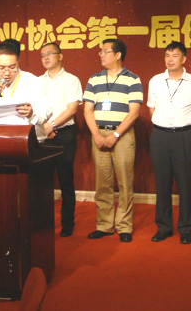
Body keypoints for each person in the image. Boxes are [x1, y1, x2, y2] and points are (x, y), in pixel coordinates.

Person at [83, 39, 142, 243]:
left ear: (118, 55)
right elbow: (87, 110)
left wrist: (115, 135)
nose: (101, 55)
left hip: (122, 135)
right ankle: (104, 225)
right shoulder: (94, 79)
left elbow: (134, 112)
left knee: (125, 182)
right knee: (103, 183)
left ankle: (124, 226)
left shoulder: (132, 79)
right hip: (99, 134)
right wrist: (97, 135)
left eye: (106, 51)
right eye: (101, 52)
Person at [147, 42, 191, 244]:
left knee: (185, 183)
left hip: (183, 137)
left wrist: (181, 123)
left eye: (174, 55)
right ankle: (163, 227)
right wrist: (165, 123)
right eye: (167, 55)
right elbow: (151, 109)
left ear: (184, 58)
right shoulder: (155, 80)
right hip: (160, 136)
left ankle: (186, 228)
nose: (170, 59)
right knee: (162, 184)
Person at [39, 42, 83, 237]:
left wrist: (53, 125)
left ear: (60, 56)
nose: (46, 58)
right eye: (42, 55)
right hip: (42, 134)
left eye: (50, 53)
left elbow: (72, 109)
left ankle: (67, 223)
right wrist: (45, 128)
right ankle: (43, 224)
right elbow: (34, 108)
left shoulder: (72, 80)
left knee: (65, 180)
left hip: (64, 134)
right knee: (42, 183)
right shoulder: (37, 82)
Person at [0, 41, 50, 135]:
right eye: (1, 68)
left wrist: (31, 113)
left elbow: (47, 112)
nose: (7, 73)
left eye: (12, 67)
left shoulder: (32, 81)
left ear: (18, 63)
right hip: (0, 137)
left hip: (30, 138)